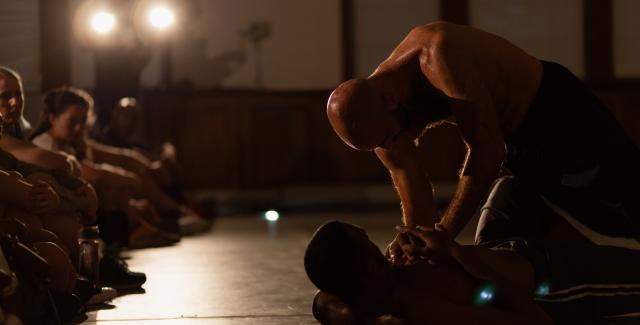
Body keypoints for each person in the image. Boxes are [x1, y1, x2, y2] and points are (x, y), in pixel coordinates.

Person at [326, 22, 640, 262]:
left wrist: (444, 235)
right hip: (516, 141)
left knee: (628, 203)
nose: (390, 147)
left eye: (390, 139)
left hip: (557, 109)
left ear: (390, 100)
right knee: (560, 227)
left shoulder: (438, 53)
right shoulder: (378, 124)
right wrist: (417, 246)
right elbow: (417, 203)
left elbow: (487, 152)